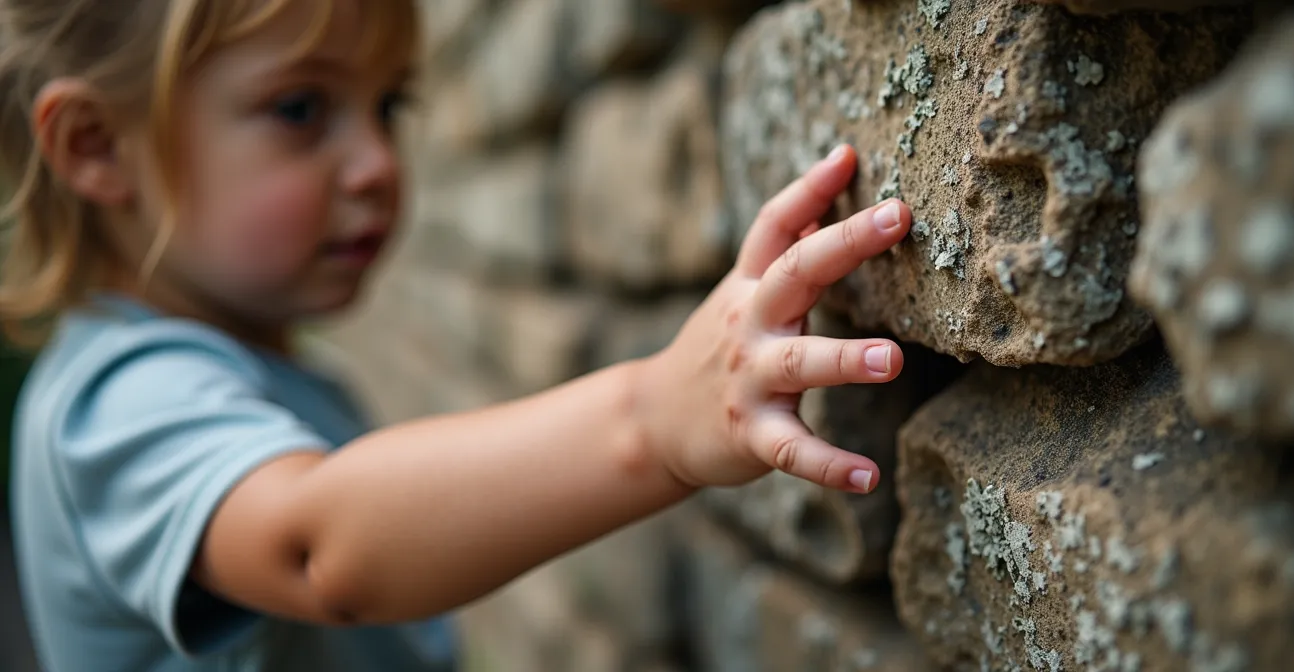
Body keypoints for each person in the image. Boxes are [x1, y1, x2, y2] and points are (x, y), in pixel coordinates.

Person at [0, 0, 914, 670]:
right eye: (300, 110)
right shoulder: (117, 401)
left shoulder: (232, 362)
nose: (376, 164)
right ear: (95, 147)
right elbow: (322, 548)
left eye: (389, 106)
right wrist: (652, 417)